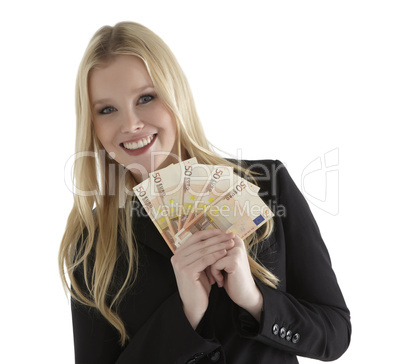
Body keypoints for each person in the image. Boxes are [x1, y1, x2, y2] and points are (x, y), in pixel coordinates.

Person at [59, 21, 351, 364]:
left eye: (146, 98)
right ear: (92, 124)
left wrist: (255, 300)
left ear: (175, 95)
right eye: (107, 109)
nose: (130, 124)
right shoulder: (91, 242)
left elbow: (335, 334)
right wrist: (186, 313)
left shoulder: (268, 185)